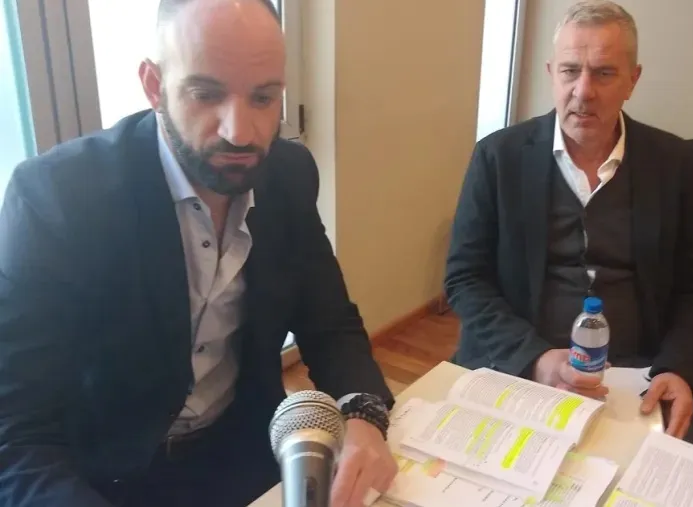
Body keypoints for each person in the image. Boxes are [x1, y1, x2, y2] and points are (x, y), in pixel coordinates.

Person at [0, 0, 397, 506]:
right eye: (206, 94)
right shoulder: (57, 196)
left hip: (245, 453)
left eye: (263, 97)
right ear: (154, 85)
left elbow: (329, 322)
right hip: (105, 479)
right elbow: (15, 429)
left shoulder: (288, 174)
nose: (240, 132)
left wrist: (363, 415)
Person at [444, 0, 693, 450]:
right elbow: (465, 278)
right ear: (551, 73)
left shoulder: (678, 166)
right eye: (570, 71)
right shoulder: (497, 157)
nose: (583, 91)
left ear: (633, 80)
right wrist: (537, 359)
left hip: (638, 377)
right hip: (516, 365)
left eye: (604, 73)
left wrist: (680, 369)